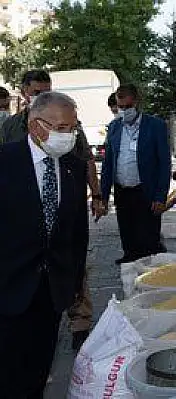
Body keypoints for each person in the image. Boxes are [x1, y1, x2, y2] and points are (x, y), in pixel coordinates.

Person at [0, 70, 99, 350]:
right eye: (60, 128)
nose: (67, 136)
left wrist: (76, 280)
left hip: (54, 290)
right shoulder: (6, 161)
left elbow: (77, 232)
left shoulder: (73, 168)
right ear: (34, 126)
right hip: (9, 288)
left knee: (40, 366)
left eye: (72, 128)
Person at [100, 83, 171, 264]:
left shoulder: (156, 126)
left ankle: (152, 264)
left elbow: (164, 164)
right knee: (126, 229)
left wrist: (160, 196)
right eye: (120, 107)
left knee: (148, 236)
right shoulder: (114, 127)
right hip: (123, 190)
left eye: (128, 107)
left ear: (136, 102)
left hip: (146, 190)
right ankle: (129, 257)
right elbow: (108, 163)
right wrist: (103, 196)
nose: (124, 111)